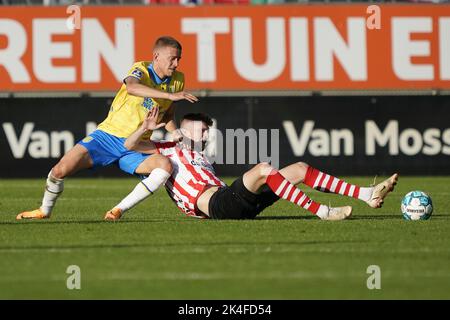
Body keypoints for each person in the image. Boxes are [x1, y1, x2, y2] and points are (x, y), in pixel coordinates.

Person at [16, 36, 198, 220]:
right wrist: (169, 95)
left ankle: (117, 211)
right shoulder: (141, 69)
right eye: (172, 58)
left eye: (178, 59)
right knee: (59, 170)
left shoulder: (178, 80)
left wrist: (174, 130)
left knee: (165, 165)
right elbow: (132, 88)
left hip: (136, 144)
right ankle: (44, 211)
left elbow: (167, 115)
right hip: (107, 137)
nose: (176, 64)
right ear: (156, 56)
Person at [104, 111, 398, 221]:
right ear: (185, 130)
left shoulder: (202, 157)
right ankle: (323, 212)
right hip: (216, 205)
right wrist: (145, 127)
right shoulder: (168, 148)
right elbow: (128, 146)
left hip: (233, 205)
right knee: (263, 169)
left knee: (296, 168)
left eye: (207, 130)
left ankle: (365, 194)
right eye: (200, 129)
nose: (205, 134)